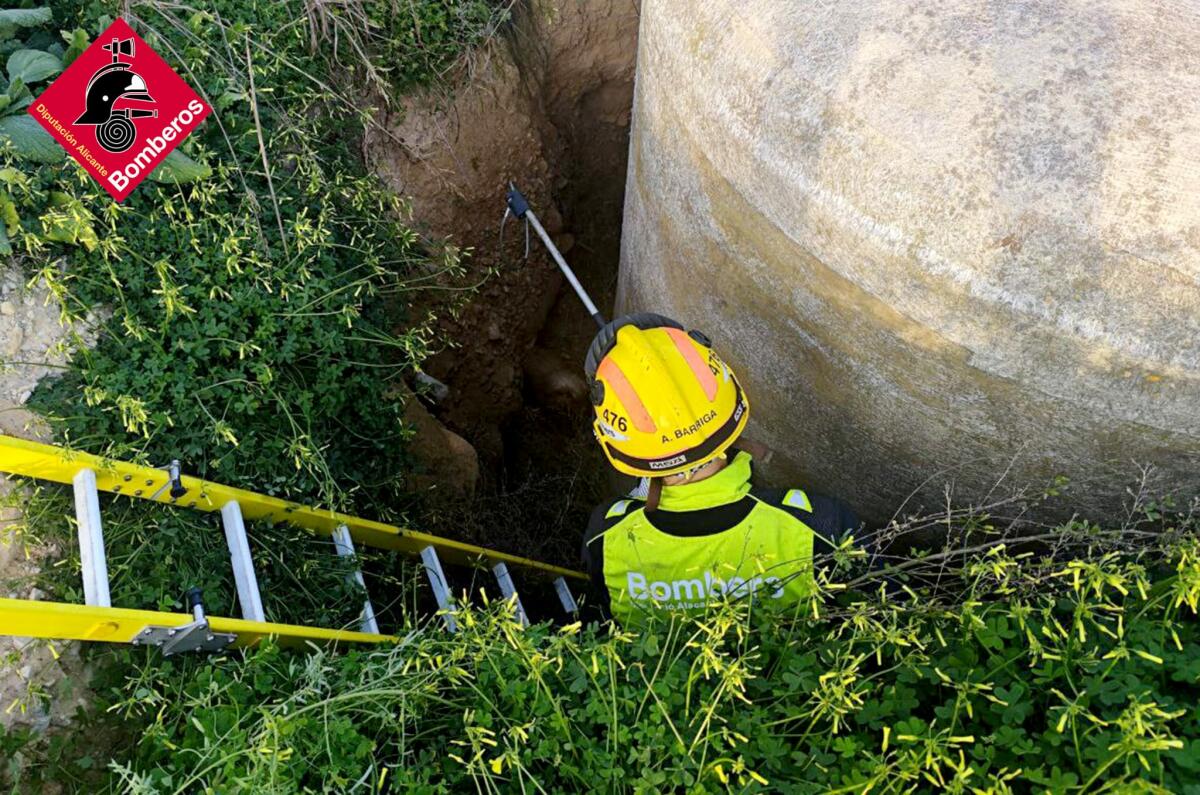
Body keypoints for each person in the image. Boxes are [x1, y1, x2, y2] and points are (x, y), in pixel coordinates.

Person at [580, 314, 862, 624]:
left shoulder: (606, 537)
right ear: (732, 407)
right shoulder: (818, 523)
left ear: (617, 445)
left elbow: (601, 616)